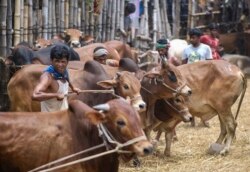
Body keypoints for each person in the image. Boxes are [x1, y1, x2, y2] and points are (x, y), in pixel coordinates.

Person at [32, 44, 80, 112]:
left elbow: (66, 78)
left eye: (63, 62)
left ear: (67, 62)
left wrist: (73, 88)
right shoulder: (47, 77)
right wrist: (56, 95)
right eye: (57, 61)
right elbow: (35, 95)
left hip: (62, 116)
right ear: (51, 60)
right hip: (50, 119)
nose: (60, 65)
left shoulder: (64, 70)